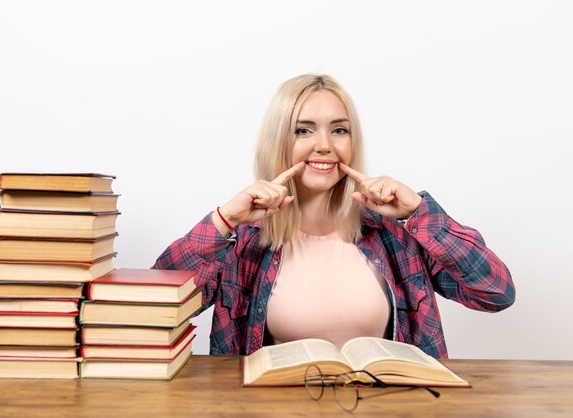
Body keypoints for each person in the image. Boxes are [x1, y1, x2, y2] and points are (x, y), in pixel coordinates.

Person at [153, 74, 515, 358]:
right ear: (278, 141)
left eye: (339, 129)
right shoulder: (243, 241)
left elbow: (495, 292)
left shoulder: (395, 235)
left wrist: (419, 213)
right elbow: (154, 307)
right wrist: (224, 219)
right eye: (303, 130)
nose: (324, 144)